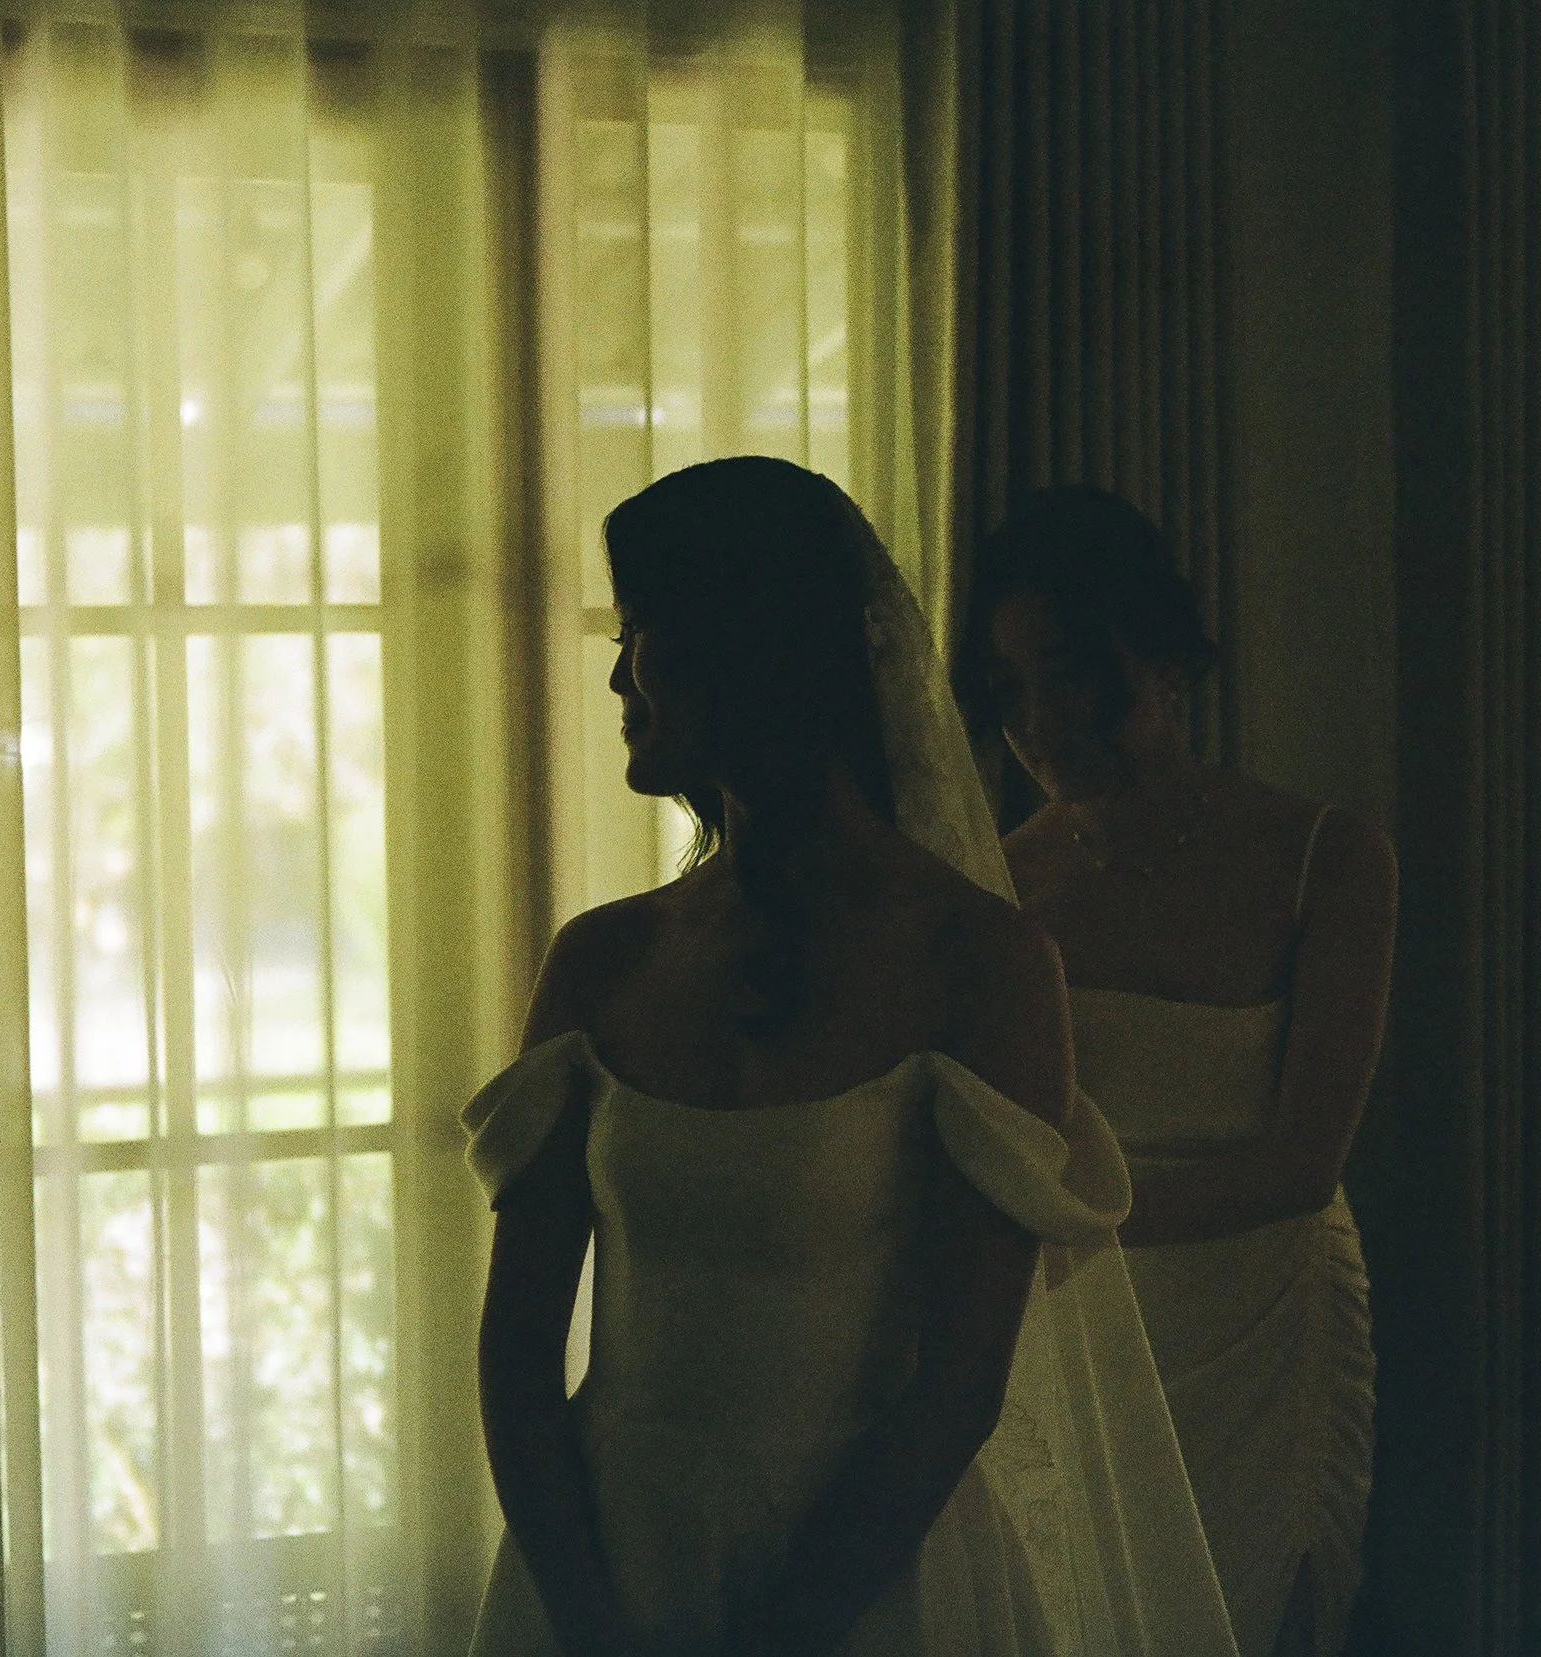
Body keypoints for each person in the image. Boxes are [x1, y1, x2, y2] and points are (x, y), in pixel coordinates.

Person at [462, 457, 1238, 1657]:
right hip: (607, 1568)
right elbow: (516, 1346)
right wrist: (590, 1620)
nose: (617, 674)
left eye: (642, 631)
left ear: (751, 641)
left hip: (872, 1581)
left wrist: (783, 1636)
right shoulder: (603, 960)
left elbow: (960, 1381)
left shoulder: (979, 962)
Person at [955, 488, 1397, 1657]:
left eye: (1068, 672)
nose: (1042, 721)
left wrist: (1053, 1221)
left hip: (1266, 1320)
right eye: (1009, 692)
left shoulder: (1323, 858)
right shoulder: (1000, 888)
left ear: (1154, 657)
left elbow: (1303, 1164)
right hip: (1082, 1331)